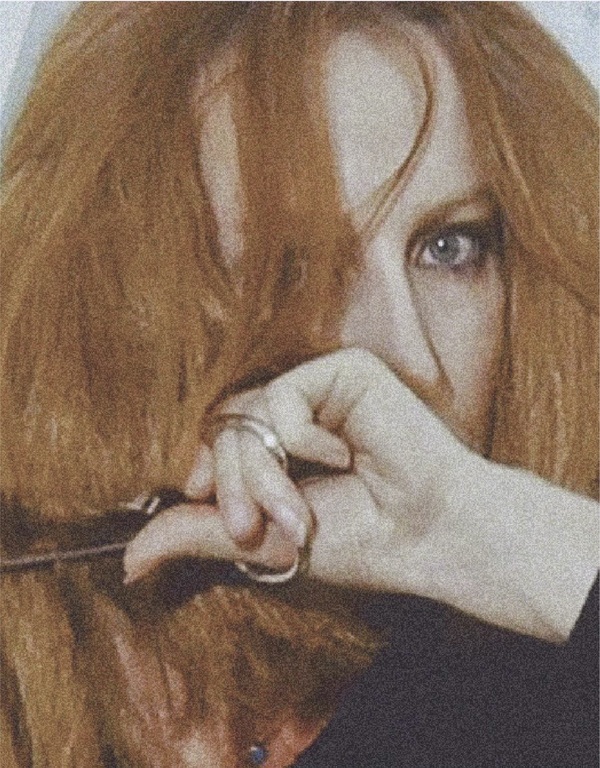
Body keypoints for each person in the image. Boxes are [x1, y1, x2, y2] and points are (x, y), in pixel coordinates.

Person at [1, 3, 597, 767]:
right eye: (296, 263)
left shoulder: (550, 665)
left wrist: (498, 545)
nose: (409, 358)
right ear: (119, 298)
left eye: (450, 248)